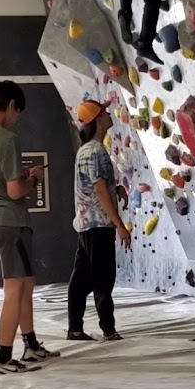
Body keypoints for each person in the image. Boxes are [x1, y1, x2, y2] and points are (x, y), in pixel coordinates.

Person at [0, 81, 60, 375]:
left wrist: (16, 176)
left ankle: (31, 345)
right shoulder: (7, 139)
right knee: (15, 290)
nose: (16, 119)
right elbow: (15, 191)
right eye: (18, 112)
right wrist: (34, 178)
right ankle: (3, 357)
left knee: (26, 283)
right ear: (12, 105)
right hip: (10, 223)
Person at [67, 100, 132, 343]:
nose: (109, 114)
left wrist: (117, 189)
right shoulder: (94, 151)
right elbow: (100, 190)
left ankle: (75, 329)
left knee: (81, 278)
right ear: (97, 119)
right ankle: (108, 329)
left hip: (87, 224)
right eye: (104, 111)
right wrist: (120, 226)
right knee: (103, 278)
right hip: (98, 225)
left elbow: (100, 186)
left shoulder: (88, 149)